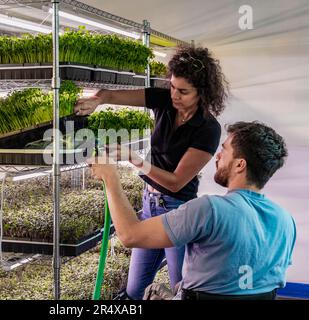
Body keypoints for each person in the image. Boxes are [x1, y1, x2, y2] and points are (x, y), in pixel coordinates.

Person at [75, 45, 229, 299]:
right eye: (171, 87)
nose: (174, 95)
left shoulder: (208, 129)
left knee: (182, 288)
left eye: (183, 91)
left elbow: (177, 182)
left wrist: (134, 160)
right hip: (149, 206)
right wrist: (97, 99)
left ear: (202, 93)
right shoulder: (165, 101)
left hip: (178, 210)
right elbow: (112, 96)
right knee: (135, 290)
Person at [88, 121, 296, 300]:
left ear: (240, 164)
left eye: (224, 150)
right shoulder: (285, 221)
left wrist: (111, 178)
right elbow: (246, 281)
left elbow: (130, 236)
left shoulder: (210, 210)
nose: (217, 156)